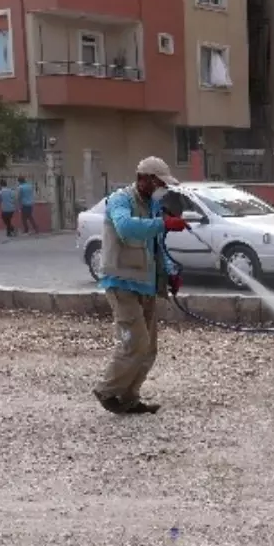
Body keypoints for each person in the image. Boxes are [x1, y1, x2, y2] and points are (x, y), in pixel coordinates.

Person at [92, 156, 187, 416]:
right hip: (121, 282)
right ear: (143, 179)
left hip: (145, 284)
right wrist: (163, 223)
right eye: (159, 183)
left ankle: (129, 398)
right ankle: (107, 390)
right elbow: (125, 229)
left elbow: (157, 246)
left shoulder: (154, 207)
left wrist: (170, 272)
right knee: (135, 342)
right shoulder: (120, 200)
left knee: (149, 347)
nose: (162, 189)